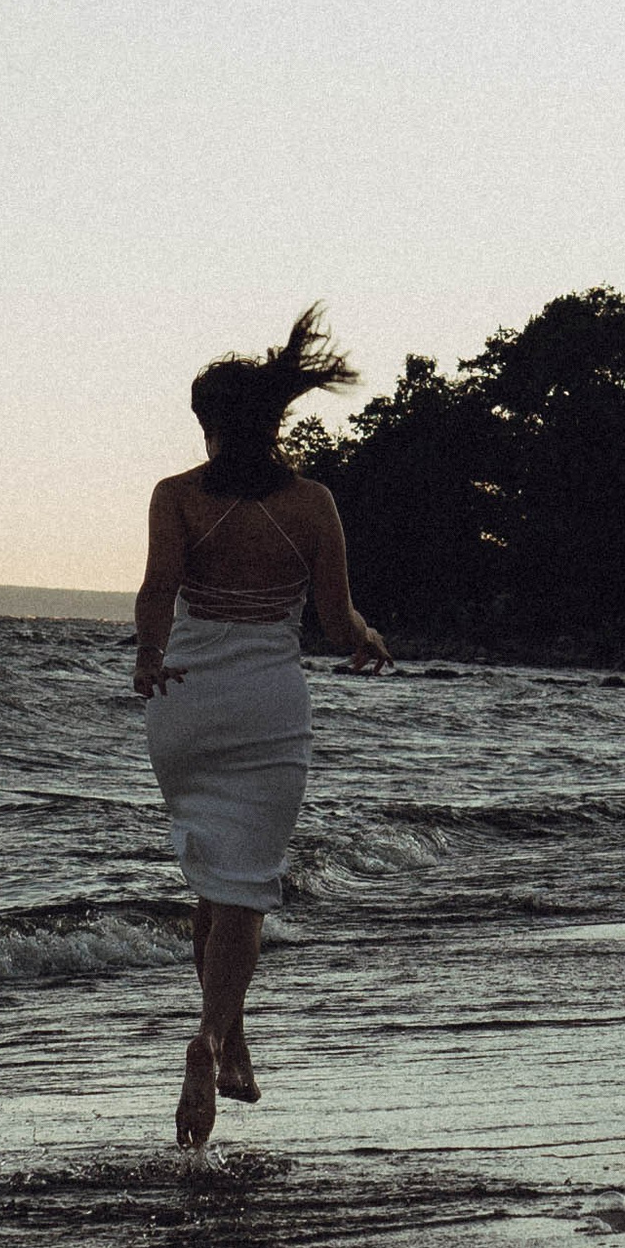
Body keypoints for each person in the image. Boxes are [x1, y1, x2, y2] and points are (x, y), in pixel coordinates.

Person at [134, 308, 391, 1147]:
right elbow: (335, 619)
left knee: (216, 877)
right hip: (267, 704)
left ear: (208, 423)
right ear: (276, 420)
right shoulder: (313, 504)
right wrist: (366, 637)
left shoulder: (175, 496)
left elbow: (158, 590)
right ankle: (212, 1038)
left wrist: (148, 656)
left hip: (185, 700)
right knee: (243, 885)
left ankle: (231, 1041)